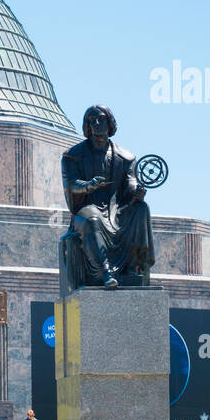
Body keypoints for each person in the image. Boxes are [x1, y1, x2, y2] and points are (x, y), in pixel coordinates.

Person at [60, 105, 155, 292]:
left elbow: (130, 182)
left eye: (101, 119)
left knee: (141, 209)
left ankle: (133, 268)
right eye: (92, 120)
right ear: (87, 126)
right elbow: (71, 184)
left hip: (115, 210)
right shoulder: (72, 156)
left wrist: (137, 191)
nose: (97, 123)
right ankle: (106, 274)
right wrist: (88, 185)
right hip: (87, 208)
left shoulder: (125, 157)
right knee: (92, 219)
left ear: (110, 122)